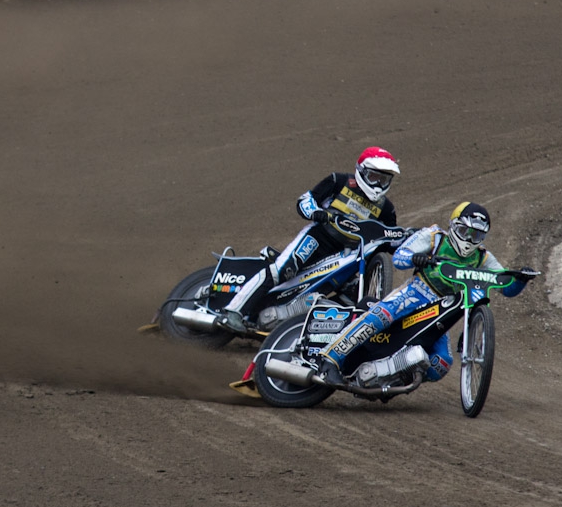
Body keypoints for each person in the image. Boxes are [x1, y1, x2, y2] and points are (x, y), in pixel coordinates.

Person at [318, 201, 536, 383]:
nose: (469, 240)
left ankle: (389, 376)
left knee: (441, 363)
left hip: (442, 308)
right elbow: (399, 257)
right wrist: (417, 258)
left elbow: (506, 287)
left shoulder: (483, 257)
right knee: (381, 314)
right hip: (416, 292)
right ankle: (330, 359)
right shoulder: (434, 237)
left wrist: (520, 280)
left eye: (476, 236)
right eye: (464, 231)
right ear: (453, 225)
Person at [223, 146, 401, 331]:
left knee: (351, 292)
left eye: (384, 179)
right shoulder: (339, 181)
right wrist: (316, 212)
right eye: (374, 177)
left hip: (347, 254)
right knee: (282, 270)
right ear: (362, 171)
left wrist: (412, 241)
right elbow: (305, 200)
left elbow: (390, 238)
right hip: (319, 238)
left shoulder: (386, 208)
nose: (379, 184)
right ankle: (233, 311)